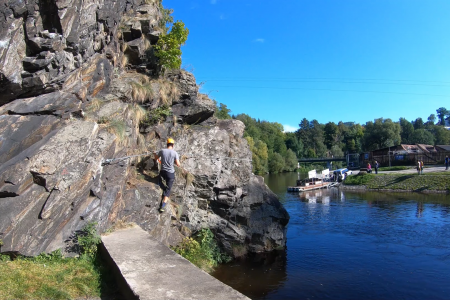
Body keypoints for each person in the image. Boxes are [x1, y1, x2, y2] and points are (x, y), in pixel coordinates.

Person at [154, 138, 181, 212]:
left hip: (163, 172)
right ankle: (163, 205)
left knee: (160, 180)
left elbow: (157, 158)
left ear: (167, 144)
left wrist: (154, 154)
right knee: (168, 189)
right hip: (170, 174)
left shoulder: (162, 151)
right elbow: (178, 164)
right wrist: (175, 162)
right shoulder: (175, 153)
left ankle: (161, 185)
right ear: (173, 145)